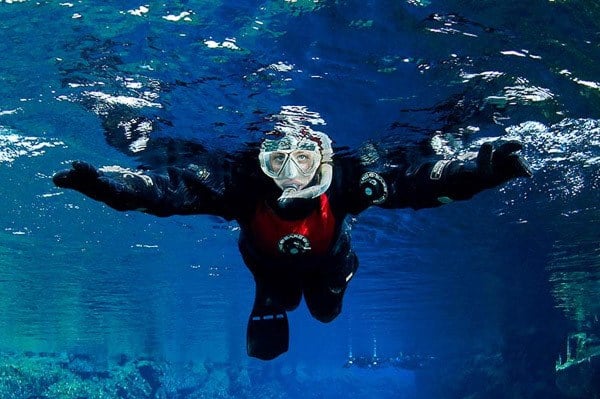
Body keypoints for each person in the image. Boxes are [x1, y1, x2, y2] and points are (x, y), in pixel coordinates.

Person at [52, 112, 531, 360]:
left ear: (324, 158)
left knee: (325, 311)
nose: (290, 174)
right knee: (280, 298)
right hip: (267, 268)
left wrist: (482, 171)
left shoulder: (348, 181)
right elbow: (164, 194)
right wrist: (103, 185)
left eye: (303, 159)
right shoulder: (240, 186)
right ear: (259, 159)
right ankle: (271, 300)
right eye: (276, 158)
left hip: (330, 261)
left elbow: (419, 185)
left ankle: (314, 294)